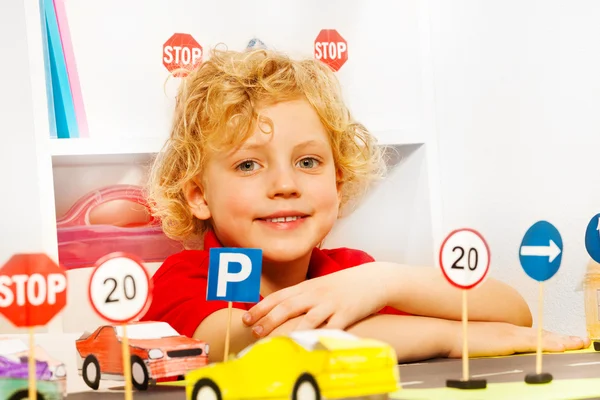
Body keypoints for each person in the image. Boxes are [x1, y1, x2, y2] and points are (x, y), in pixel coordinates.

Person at [141, 47, 589, 363]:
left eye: (308, 161)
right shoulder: (185, 281)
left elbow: (512, 312)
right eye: (248, 165)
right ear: (199, 195)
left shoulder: (350, 272)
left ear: (337, 181)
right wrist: (453, 337)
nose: (284, 184)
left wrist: (384, 281)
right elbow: (257, 341)